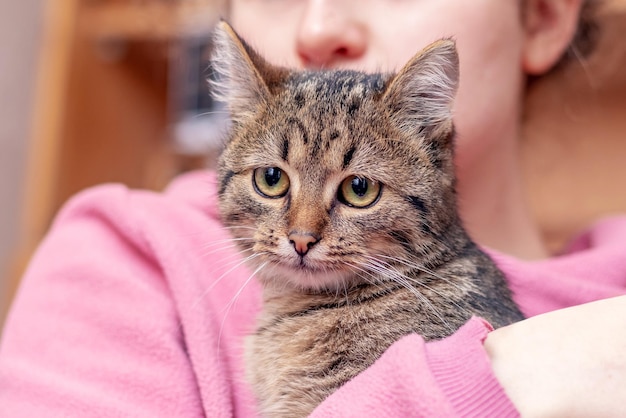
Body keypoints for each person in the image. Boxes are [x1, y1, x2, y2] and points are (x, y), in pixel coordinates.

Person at [2, 0, 626, 416]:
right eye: (272, 179)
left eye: (357, 189)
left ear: (544, 16)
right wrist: (523, 377)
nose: (301, 232)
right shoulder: (125, 261)